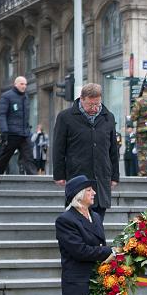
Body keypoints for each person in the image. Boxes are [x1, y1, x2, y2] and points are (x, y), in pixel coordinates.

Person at [53, 83, 120, 221]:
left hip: (101, 177)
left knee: (98, 220)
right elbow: (59, 148)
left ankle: (96, 243)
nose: (94, 109)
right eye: (90, 105)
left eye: (97, 104)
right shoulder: (65, 117)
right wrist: (59, 174)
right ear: (81, 99)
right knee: (78, 219)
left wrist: (115, 175)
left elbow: (113, 149)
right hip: (77, 175)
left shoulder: (108, 117)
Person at [0, 76, 36, 175]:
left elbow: (26, 116)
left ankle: (34, 180)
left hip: (24, 134)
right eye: (22, 84)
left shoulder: (26, 97)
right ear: (15, 84)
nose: (24, 86)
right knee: (5, 157)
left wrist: (27, 129)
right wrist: (4, 131)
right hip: (12, 133)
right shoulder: (7, 96)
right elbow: (2, 114)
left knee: (29, 157)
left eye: (25, 84)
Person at [130, 83, 147, 176]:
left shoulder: (139, 101)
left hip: (142, 129)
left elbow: (133, 117)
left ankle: (143, 171)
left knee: (142, 152)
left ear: (142, 89)